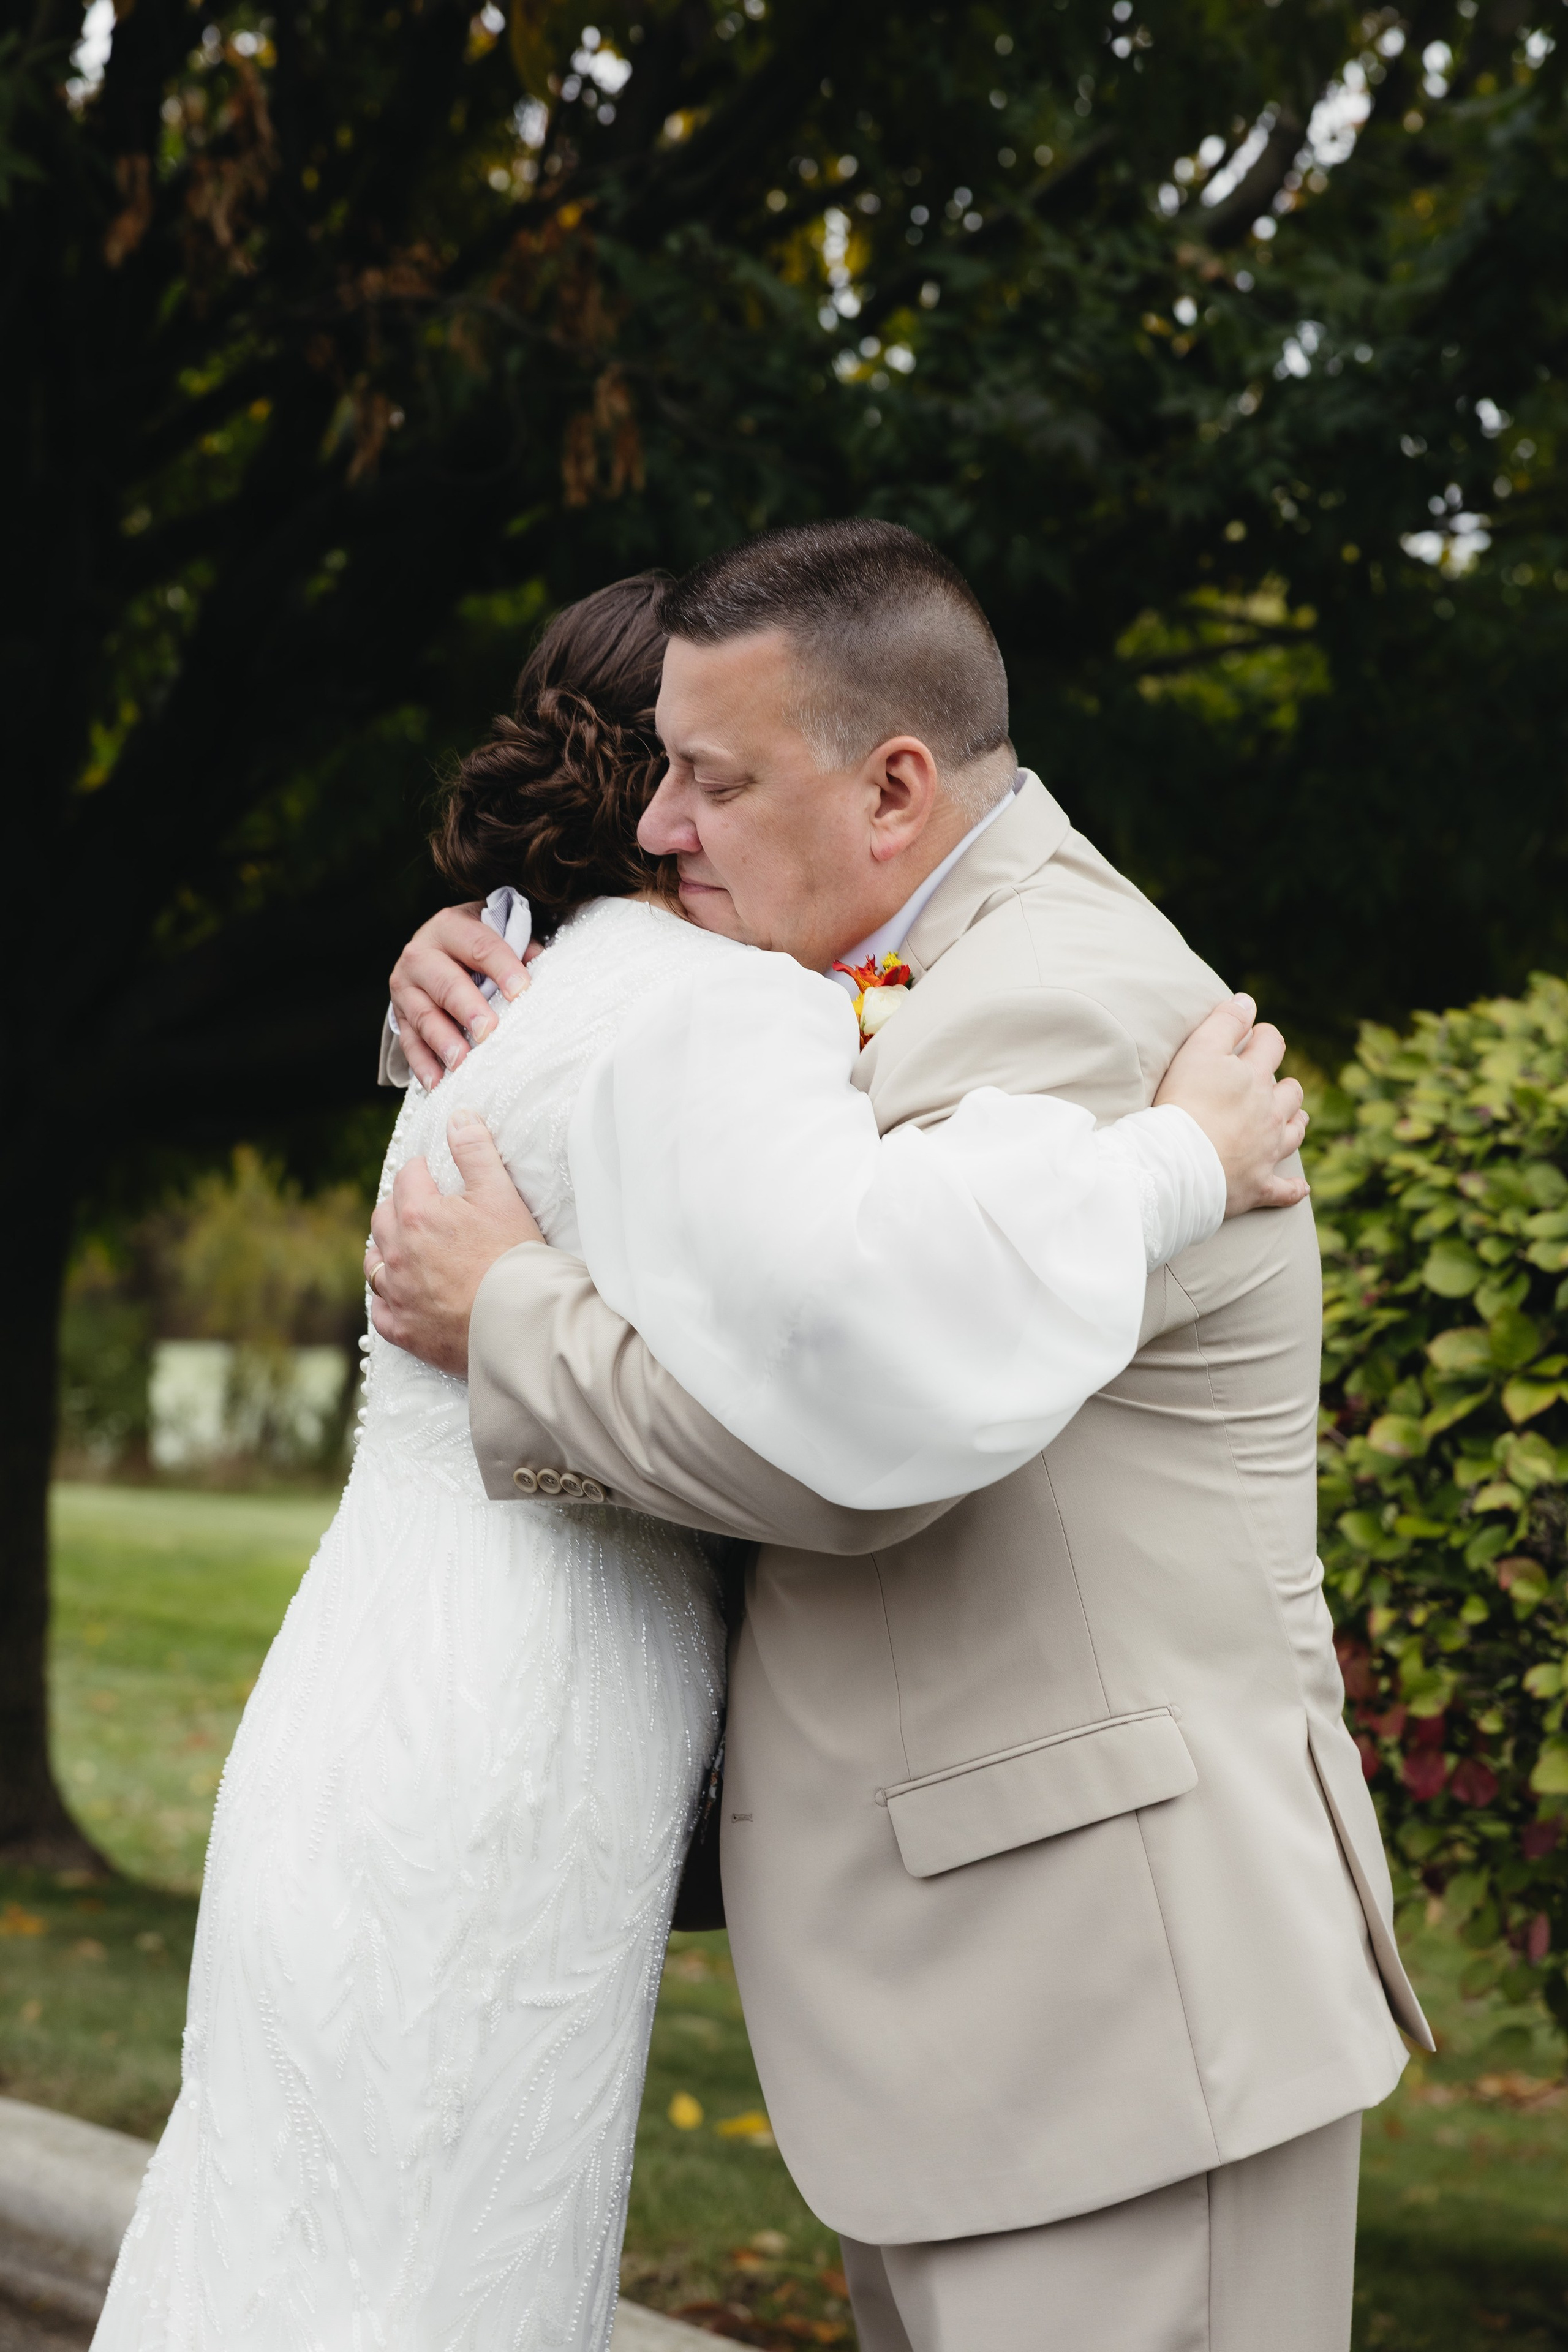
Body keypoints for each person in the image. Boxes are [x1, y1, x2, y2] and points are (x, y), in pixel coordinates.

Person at [93, 568, 1298, 2352]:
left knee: (313, 2222)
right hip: (527, 1724)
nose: (679, 810)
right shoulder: (714, 1006)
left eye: (715, 774)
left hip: (368, 1702)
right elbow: (860, 1315)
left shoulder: (524, 984)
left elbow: (837, 1322)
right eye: (673, 768)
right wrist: (1175, 1167)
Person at [371, 521, 1431, 2352]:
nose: (660, 829)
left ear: (893, 789)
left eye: (710, 781)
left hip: (1118, 2007)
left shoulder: (1066, 996)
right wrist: (499, 974)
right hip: (982, 2018)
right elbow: (712, 1210)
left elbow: (851, 1440)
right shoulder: (880, 962)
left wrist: (508, 1318)